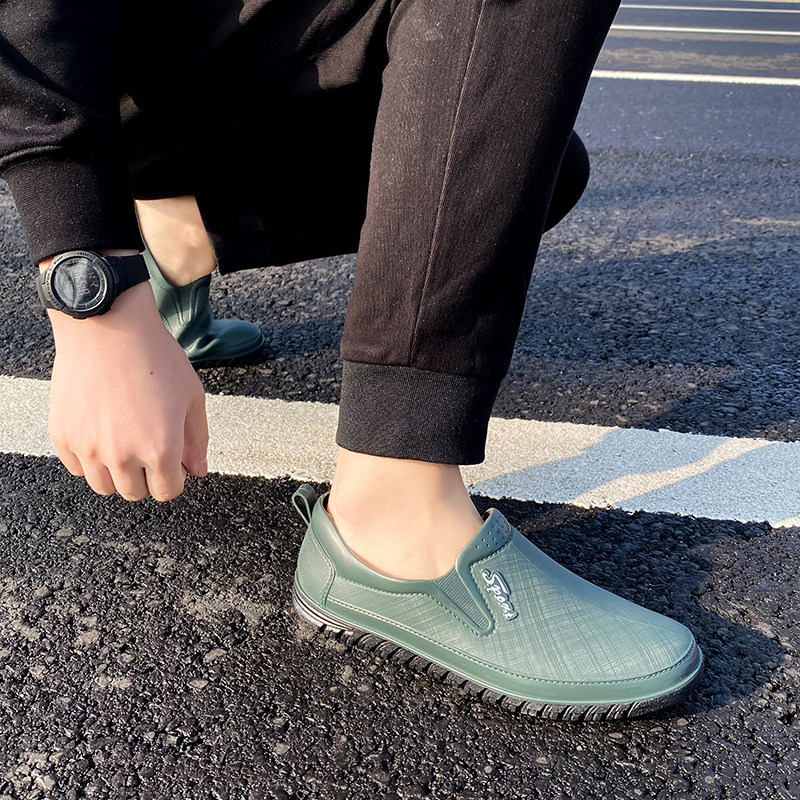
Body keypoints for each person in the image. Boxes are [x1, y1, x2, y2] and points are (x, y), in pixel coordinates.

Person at [0, 0, 703, 719]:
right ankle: (393, 513)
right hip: (81, 76)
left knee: (531, 160)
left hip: (199, 62)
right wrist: (96, 299)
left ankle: (180, 238)